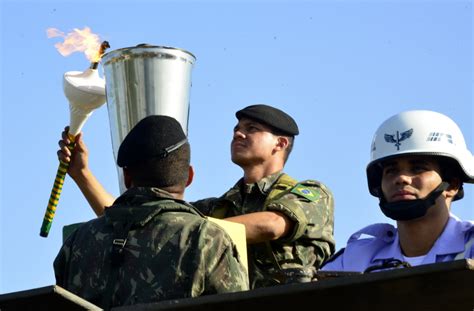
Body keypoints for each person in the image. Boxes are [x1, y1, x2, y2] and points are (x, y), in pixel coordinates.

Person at [58, 104, 335, 289]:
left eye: (251, 129)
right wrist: (82, 174)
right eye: (237, 128)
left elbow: (271, 225)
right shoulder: (216, 208)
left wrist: (187, 233)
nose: (238, 132)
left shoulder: (310, 193)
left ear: (281, 143)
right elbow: (137, 220)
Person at [54, 115, 249, 310]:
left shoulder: (77, 241)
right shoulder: (205, 238)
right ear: (189, 176)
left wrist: (81, 174)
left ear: (127, 177)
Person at [322, 110, 474, 273]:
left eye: (417, 168)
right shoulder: (355, 258)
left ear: (452, 185)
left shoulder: (470, 247)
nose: (401, 178)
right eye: (391, 170)